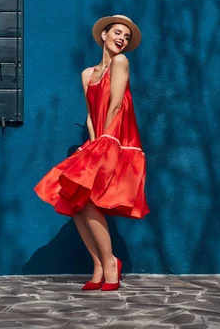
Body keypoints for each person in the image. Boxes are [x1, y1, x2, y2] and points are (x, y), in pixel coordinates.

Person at [34, 15, 149, 291]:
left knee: (88, 202)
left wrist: (103, 142)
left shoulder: (121, 63)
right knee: (73, 199)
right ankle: (98, 264)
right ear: (104, 35)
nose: (122, 38)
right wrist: (94, 141)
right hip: (100, 140)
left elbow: (117, 104)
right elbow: (89, 115)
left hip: (116, 140)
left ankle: (111, 264)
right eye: (118, 33)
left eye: (127, 37)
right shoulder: (87, 74)